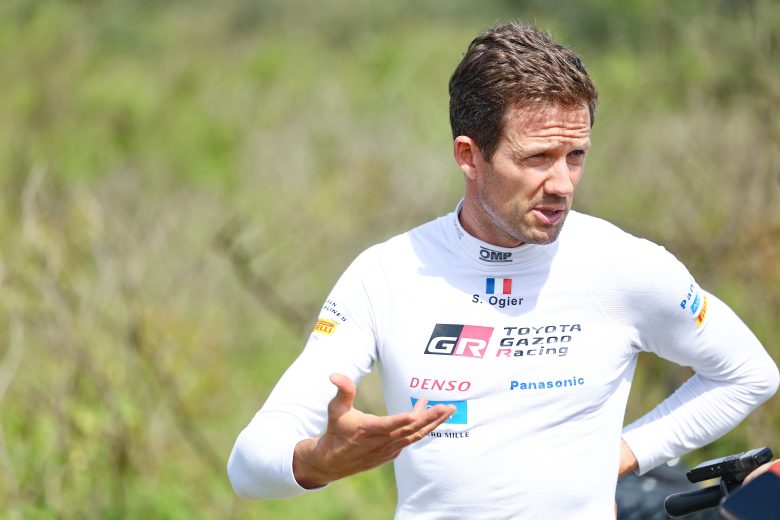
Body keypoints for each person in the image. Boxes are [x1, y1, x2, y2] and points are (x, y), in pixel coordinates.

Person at [227, 21, 779, 518]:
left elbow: (749, 374)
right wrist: (317, 462)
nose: (562, 184)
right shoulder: (385, 274)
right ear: (469, 156)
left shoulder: (626, 265)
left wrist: (626, 453)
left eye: (576, 156)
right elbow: (248, 465)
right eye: (536, 158)